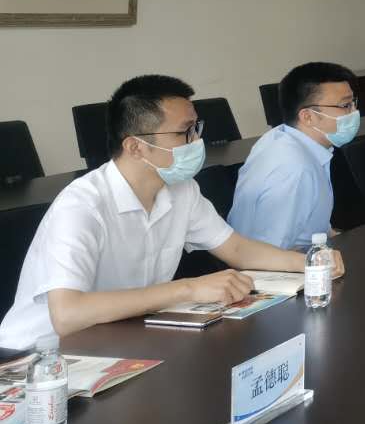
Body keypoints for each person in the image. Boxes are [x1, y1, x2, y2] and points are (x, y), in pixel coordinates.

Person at [0, 75, 345, 350]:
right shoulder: (82, 206)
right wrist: (187, 289)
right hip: (37, 357)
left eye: (197, 128)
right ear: (135, 146)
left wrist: (310, 262)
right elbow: (67, 314)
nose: (197, 142)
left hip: (120, 338)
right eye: (184, 132)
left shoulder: (181, 190)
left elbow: (237, 248)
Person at [228, 61, 358, 249]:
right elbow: (270, 253)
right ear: (308, 116)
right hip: (281, 263)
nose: (354, 112)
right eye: (345, 105)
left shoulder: (286, 137)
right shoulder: (293, 168)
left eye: (353, 103)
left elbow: (312, 224)